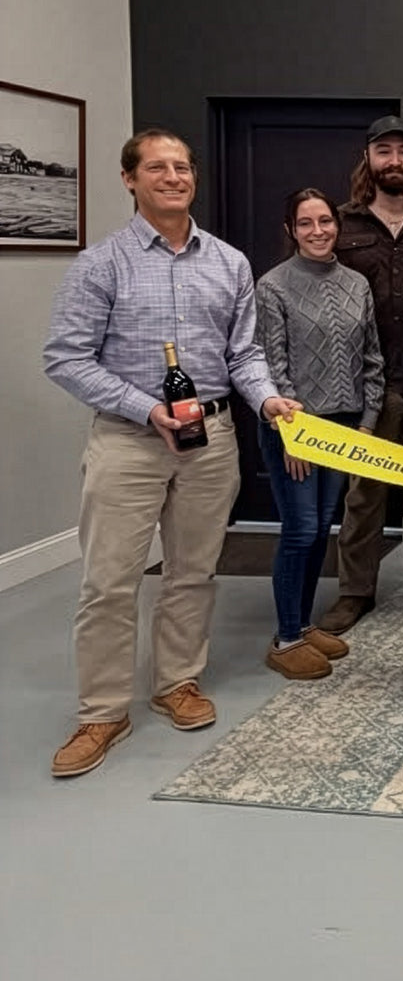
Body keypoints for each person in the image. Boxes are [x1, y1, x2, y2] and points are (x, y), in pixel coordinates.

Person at [43, 129, 299, 777]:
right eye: (157, 167)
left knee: (193, 570)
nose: (174, 177)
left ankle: (177, 682)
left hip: (210, 438)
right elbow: (66, 357)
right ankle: (102, 711)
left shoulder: (229, 263)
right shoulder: (102, 265)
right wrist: (144, 408)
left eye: (182, 167)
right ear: (130, 179)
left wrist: (268, 400)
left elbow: (244, 353)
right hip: (130, 438)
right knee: (110, 581)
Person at [255, 189, 385, 680]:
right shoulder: (273, 287)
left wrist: (368, 425)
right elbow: (272, 363)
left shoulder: (357, 283)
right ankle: (286, 637)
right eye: (305, 223)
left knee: (322, 529)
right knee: (301, 529)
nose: (318, 231)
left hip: (346, 425)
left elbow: (373, 359)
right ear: (291, 230)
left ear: (337, 225)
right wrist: (293, 434)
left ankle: (303, 625)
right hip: (296, 429)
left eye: (325, 221)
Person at [322, 116, 403, 634]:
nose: (395, 161)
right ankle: (354, 592)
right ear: (368, 158)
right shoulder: (339, 225)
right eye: (384, 151)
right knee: (363, 495)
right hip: (362, 386)